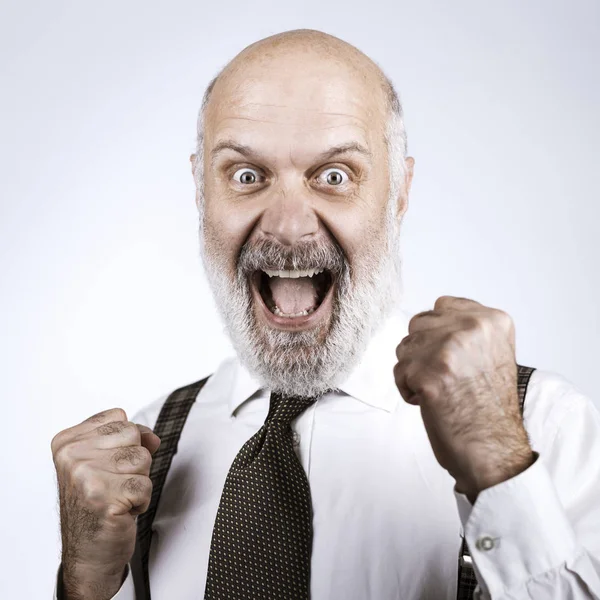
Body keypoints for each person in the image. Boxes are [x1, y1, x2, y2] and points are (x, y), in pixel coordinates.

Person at [51, 28, 600, 600]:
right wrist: (84, 586)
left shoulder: (544, 427)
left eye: (334, 176)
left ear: (400, 193)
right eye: (246, 176)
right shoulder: (153, 442)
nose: (289, 226)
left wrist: (500, 471)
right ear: (199, 191)